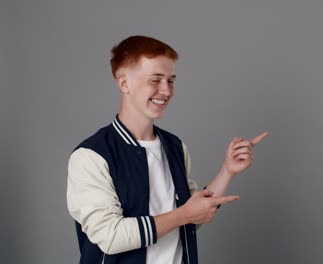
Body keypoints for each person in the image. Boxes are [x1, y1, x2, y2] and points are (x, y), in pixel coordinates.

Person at [66, 35, 268, 264]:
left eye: (171, 80)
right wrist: (184, 214)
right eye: (155, 80)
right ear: (124, 83)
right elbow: (110, 236)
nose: (166, 90)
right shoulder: (91, 155)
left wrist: (227, 170)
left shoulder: (175, 146)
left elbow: (193, 217)